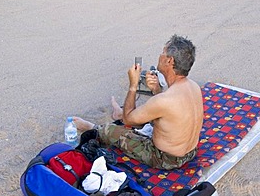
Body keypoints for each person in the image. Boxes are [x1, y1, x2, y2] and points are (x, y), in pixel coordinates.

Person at [74, 34, 203, 170]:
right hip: (190, 151)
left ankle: (92, 128)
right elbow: (171, 109)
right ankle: (120, 113)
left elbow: (128, 120)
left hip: (166, 159)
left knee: (111, 131)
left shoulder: (164, 100)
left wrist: (133, 85)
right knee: (152, 113)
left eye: (163, 53)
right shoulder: (193, 87)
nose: (160, 55)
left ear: (170, 61)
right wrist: (157, 90)